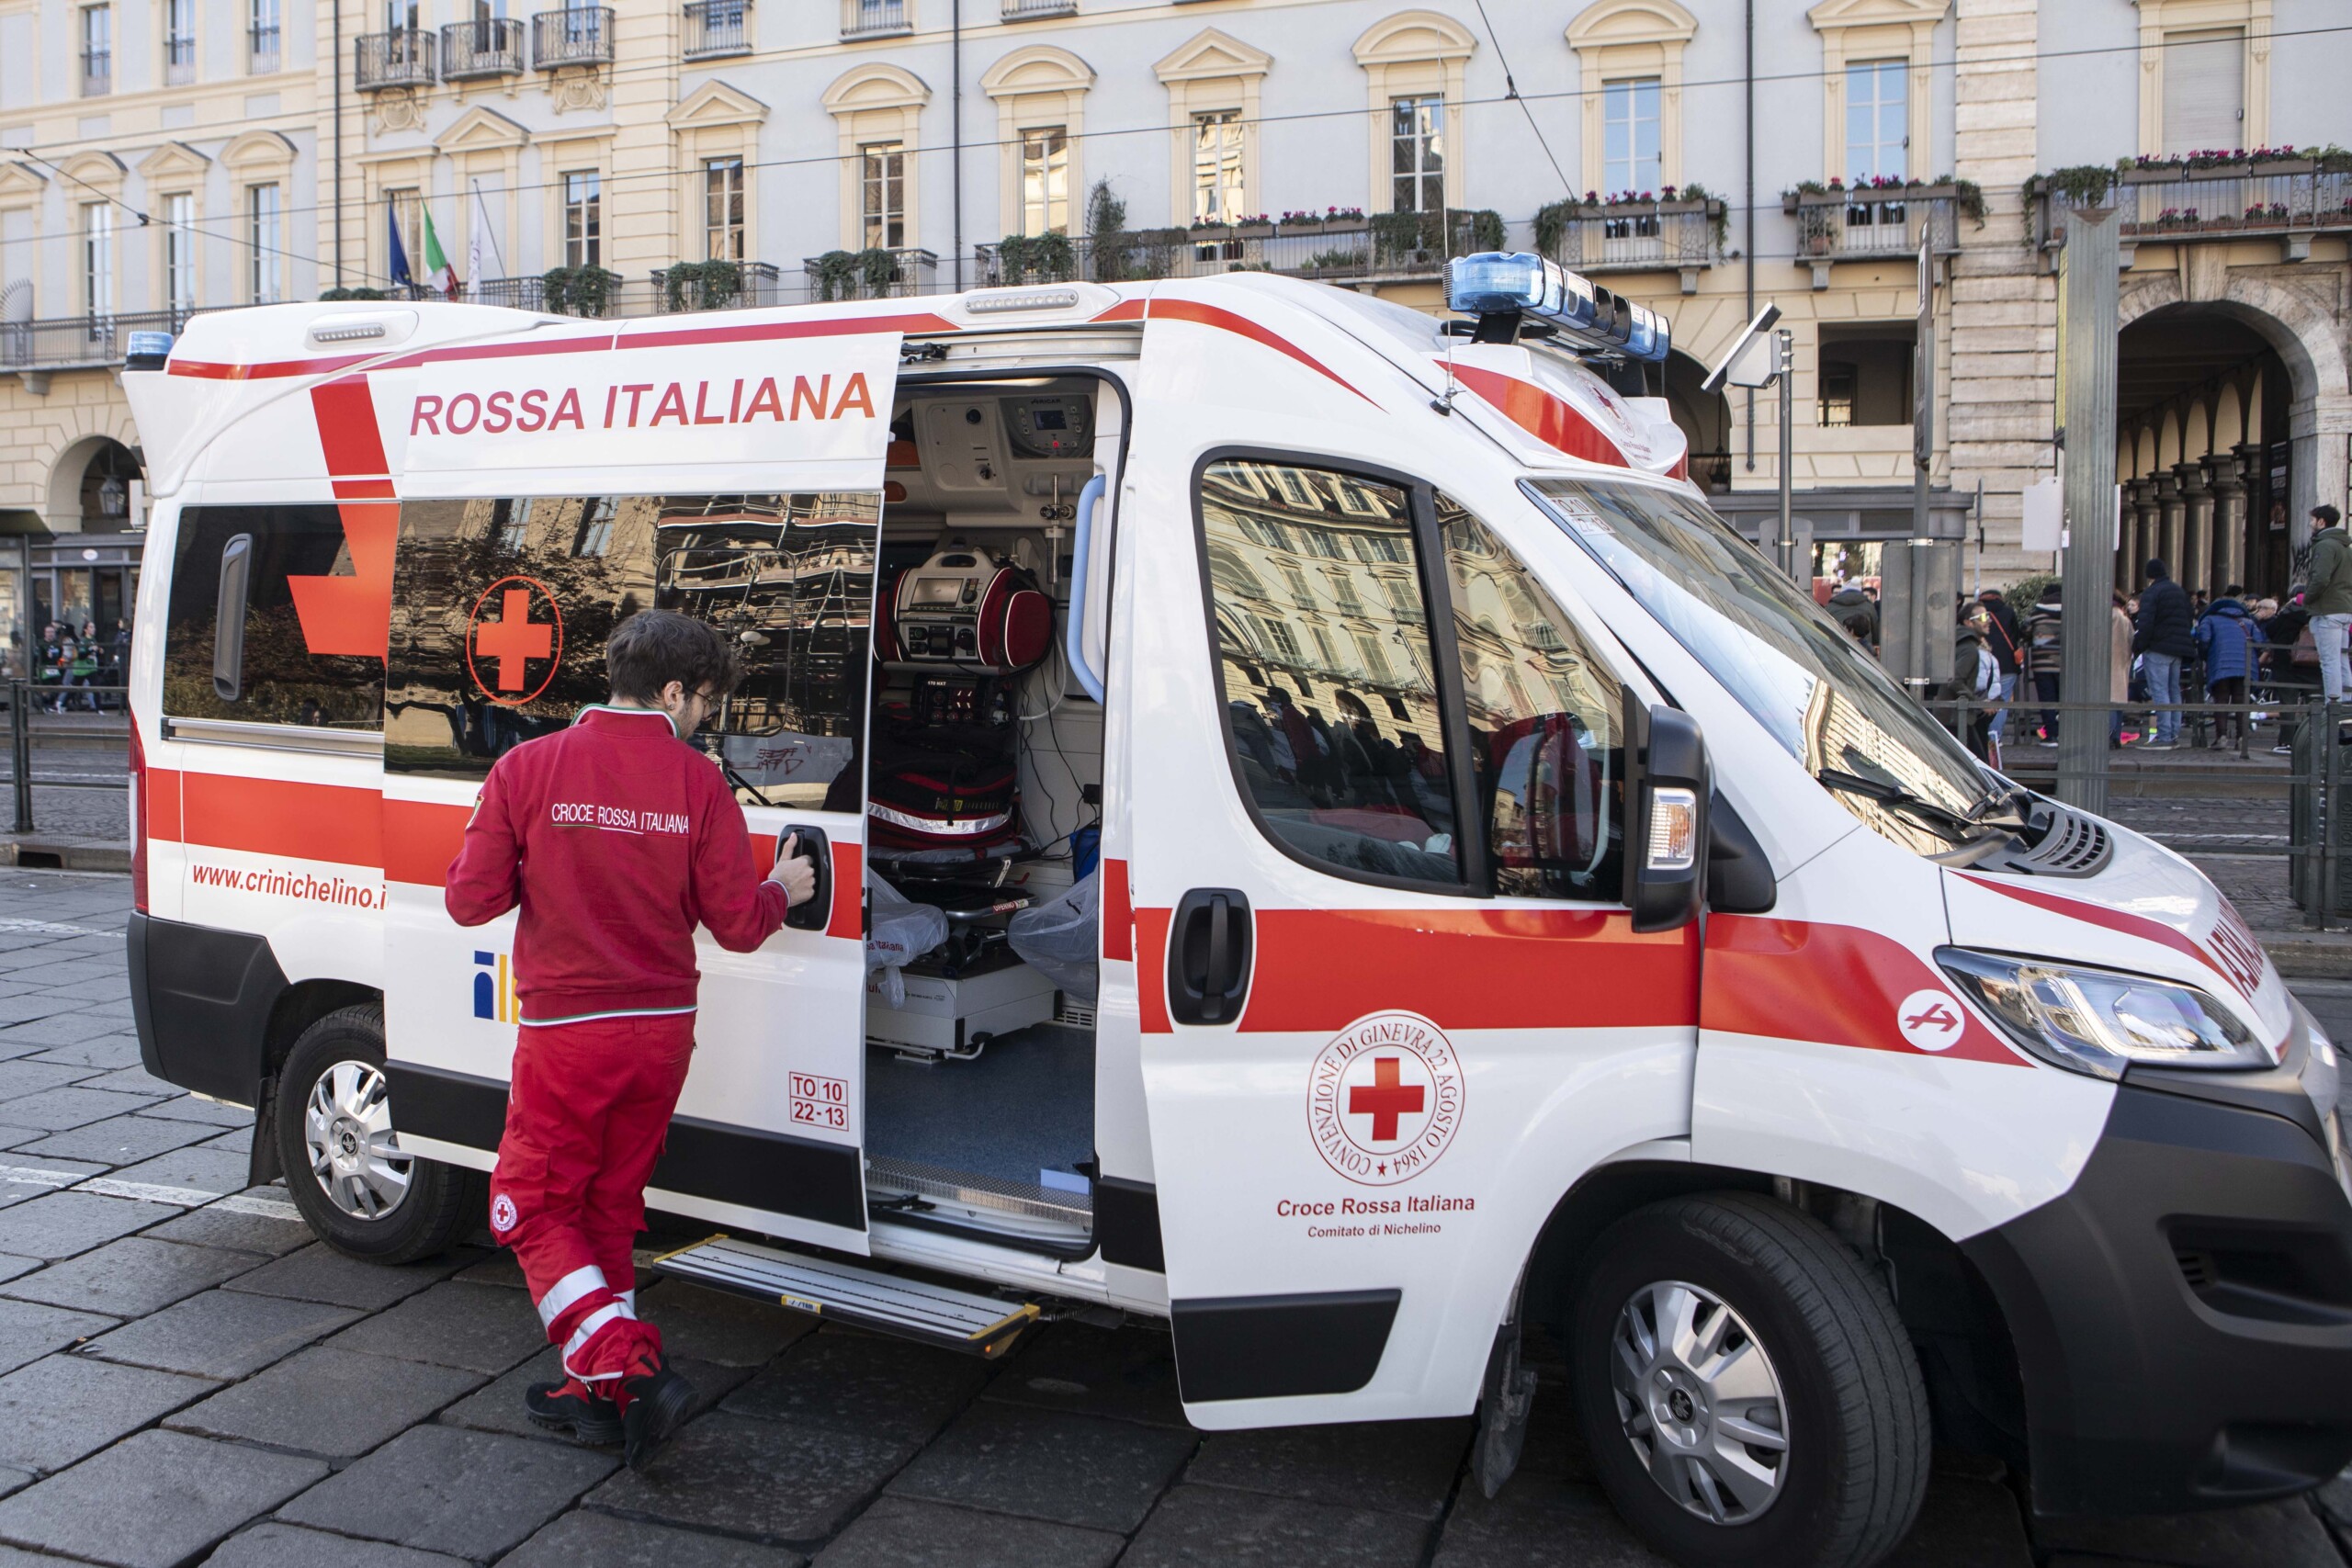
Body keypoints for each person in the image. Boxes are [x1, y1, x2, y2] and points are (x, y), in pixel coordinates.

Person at [444, 610, 820, 1468]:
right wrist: (783, 888)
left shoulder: (526, 767)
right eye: (704, 703)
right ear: (676, 689)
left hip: (567, 1033)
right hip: (660, 1036)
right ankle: (598, 1393)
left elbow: (469, 901)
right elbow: (736, 925)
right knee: (606, 1206)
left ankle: (622, 1362)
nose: (703, 721)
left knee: (530, 1204)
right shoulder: (701, 786)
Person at [2134, 558, 2196, 747]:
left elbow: (2145, 623)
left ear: (2149, 575)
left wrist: (2138, 647)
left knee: (2160, 691)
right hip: (2178, 649)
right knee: (2174, 690)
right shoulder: (2179, 591)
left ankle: (2164, 736)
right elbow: (2189, 616)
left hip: (2158, 647)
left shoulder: (2152, 593)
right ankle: (2174, 733)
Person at [2195, 584, 2259, 749]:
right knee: (2241, 701)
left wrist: (2205, 657)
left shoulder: (2209, 619)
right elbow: (2260, 642)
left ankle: (2221, 737)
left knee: (2221, 699)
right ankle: (2241, 738)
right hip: (2245, 666)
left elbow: (2204, 640)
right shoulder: (2247, 621)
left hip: (2220, 664)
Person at [2306, 505, 2351, 705]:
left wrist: (2306, 598)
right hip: (2344, 609)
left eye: (2313, 520)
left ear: (2321, 522)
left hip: (2327, 610)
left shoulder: (2324, 545)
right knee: (2341, 661)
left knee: (2329, 661)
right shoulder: (2345, 547)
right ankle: (2347, 705)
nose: (2310, 524)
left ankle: (2332, 709)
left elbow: (2320, 579)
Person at [1948, 600, 1997, 760]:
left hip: (1955, 715)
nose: (1988, 620)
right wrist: (1977, 702)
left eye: (1988, 616)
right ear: (1969, 622)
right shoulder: (1969, 649)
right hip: (1958, 717)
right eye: (1982, 617)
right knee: (1979, 764)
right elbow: (1955, 680)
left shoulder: (1963, 643)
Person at [1975, 587, 2025, 747]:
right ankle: (1995, 737)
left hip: (1982, 661)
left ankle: (1982, 735)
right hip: (2006, 663)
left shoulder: (1978, 615)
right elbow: (2016, 635)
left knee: (1983, 697)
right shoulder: (2009, 612)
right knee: (2001, 700)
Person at [2024, 581, 2064, 744]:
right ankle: (2065, 733)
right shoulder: (2073, 610)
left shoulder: (2036, 613)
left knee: (2047, 700)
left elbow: (2026, 633)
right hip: (2065, 664)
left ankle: (2051, 736)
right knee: (2065, 701)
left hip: (2042, 663)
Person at [2110, 590, 2135, 748]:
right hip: (2120, 663)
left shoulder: (2109, 615)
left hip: (2107, 663)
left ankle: (2110, 735)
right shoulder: (2125, 619)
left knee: (2108, 701)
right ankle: (2116, 736)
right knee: (2117, 701)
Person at [1826, 578, 1878, 651]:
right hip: (1864, 650)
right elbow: (1875, 630)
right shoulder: (1869, 606)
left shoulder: (1831, 606)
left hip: (1837, 648)